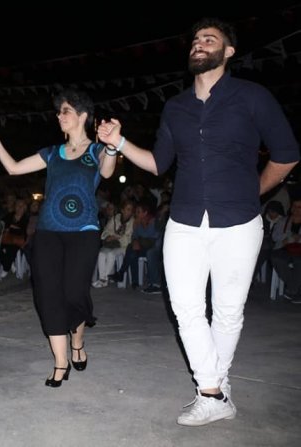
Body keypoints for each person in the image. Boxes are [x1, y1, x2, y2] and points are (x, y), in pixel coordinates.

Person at [97, 18, 299, 425]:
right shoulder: (176, 107)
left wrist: (253, 191)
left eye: (209, 39)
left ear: (228, 52)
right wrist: (119, 142)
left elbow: (287, 154)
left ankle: (215, 393)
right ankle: (212, 391)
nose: (199, 44)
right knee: (185, 307)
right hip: (185, 220)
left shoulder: (252, 96)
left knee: (227, 312)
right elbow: (158, 163)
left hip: (239, 221)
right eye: (195, 40)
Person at [0, 88, 117, 387]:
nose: (59, 116)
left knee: (74, 293)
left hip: (83, 233)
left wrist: (112, 145)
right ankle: (60, 361)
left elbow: (107, 172)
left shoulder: (96, 151)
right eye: (59, 111)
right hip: (48, 233)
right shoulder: (52, 153)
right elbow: (13, 168)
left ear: (82, 115)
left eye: (65, 111)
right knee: (48, 295)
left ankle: (77, 342)